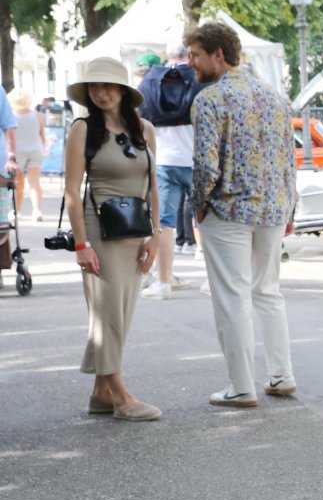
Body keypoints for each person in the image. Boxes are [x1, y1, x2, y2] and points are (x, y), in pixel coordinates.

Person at [188, 22, 299, 407]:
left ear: (217, 55)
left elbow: (205, 163)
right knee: (268, 291)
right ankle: (282, 374)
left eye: (195, 55)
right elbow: (289, 158)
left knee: (232, 297)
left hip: (228, 208)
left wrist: (198, 204)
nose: (190, 62)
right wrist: (290, 205)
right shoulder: (275, 97)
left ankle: (241, 386)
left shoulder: (209, 100)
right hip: (272, 208)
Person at [62, 59, 162, 421]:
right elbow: (72, 191)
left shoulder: (145, 129)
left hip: (134, 231)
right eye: (94, 86)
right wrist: (81, 244)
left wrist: (156, 234)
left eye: (107, 85)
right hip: (98, 230)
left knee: (119, 311)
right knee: (107, 313)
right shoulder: (83, 129)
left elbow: (152, 186)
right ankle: (121, 396)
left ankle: (101, 393)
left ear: (122, 90)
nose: (100, 93)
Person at [140, 43, 204, 299]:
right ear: (189, 56)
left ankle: (164, 282)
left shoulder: (150, 83)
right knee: (205, 219)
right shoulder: (198, 81)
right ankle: (213, 279)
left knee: (164, 223)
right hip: (196, 160)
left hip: (164, 160)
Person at [10, 90, 49, 220]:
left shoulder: (11, 116)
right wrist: (44, 147)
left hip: (17, 151)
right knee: (35, 182)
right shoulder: (37, 115)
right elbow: (42, 135)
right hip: (35, 149)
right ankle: (37, 210)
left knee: (18, 182)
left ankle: (17, 210)